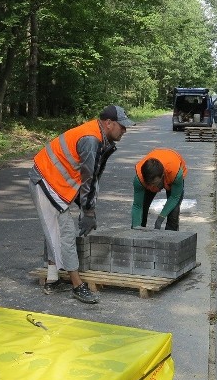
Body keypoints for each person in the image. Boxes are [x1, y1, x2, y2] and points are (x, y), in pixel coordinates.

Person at [29, 104, 134, 304]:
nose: (125, 130)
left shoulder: (99, 137)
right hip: (45, 180)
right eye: (122, 126)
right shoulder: (91, 140)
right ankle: (77, 285)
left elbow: (92, 179)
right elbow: (89, 178)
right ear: (109, 123)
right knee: (64, 232)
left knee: (56, 230)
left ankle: (52, 279)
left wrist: (87, 209)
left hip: (58, 182)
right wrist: (88, 212)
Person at [132, 148, 186, 230]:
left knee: (173, 213)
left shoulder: (175, 173)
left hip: (172, 171)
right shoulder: (139, 179)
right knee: (143, 207)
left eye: (155, 184)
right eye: (149, 185)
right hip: (154, 177)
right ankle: (141, 234)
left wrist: (160, 219)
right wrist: (136, 228)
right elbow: (137, 206)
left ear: (162, 175)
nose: (153, 188)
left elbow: (174, 197)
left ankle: (171, 237)